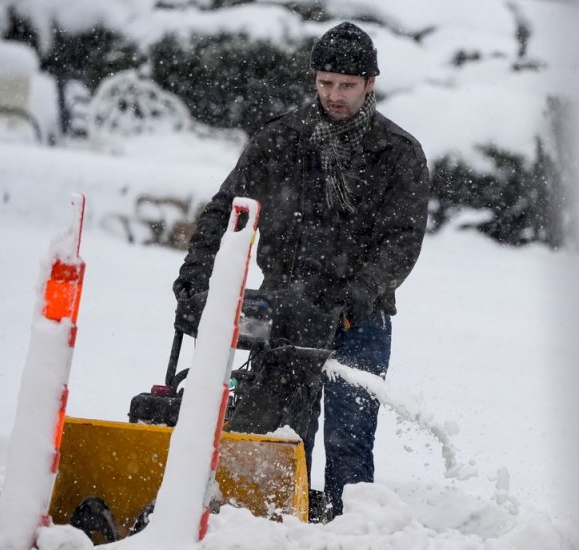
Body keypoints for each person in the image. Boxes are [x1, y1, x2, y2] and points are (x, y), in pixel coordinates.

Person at [173, 22, 429, 522]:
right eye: (325, 83)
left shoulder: (397, 154)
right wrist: (195, 278)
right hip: (283, 311)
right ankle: (279, 525)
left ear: (370, 83)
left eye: (347, 85)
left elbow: (402, 240)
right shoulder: (281, 141)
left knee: (349, 438)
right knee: (279, 434)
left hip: (359, 320)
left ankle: (345, 534)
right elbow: (228, 212)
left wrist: (359, 293)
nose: (334, 95)